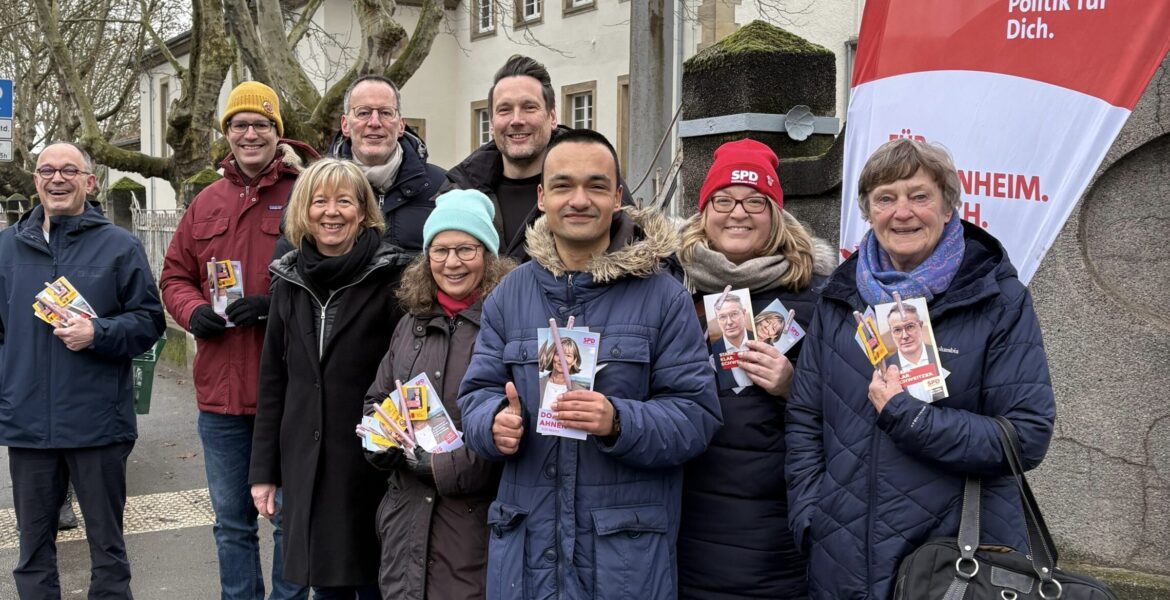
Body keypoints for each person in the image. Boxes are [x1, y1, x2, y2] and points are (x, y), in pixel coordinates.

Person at [785, 138, 1056, 599]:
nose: (902, 212)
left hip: (953, 563)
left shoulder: (997, 300)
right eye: (885, 199)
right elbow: (806, 419)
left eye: (919, 196)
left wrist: (908, 417)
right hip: (842, 560)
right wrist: (812, 518)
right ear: (869, 212)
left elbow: (1026, 435)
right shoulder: (839, 299)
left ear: (948, 208)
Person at [458, 129, 721, 600]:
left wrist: (618, 421)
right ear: (542, 197)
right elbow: (475, 395)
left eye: (596, 186)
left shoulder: (664, 298)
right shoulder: (508, 295)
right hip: (526, 559)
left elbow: (697, 416)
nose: (579, 200)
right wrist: (493, 423)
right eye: (563, 185)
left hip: (623, 565)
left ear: (617, 198)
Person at [160, 81, 316, 600]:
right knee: (231, 523)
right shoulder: (206, 200)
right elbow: (174, 276)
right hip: (222, 397)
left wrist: (275, 305)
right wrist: (193, 311)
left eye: (261, 124)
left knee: (291, 520)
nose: (250, 134)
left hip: (290, 392)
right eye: (239, 124)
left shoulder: (304, 193)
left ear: (277, 132)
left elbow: (330, 274)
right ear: (227, 132)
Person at [0, 142, 166, 598]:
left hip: (98, 424)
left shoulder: (120, 246)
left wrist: (98, 333)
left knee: (108, 551)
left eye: (69, 171)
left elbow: (149, 322)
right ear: (35, 181)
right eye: (47, 170)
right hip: (29, 426)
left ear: (89, 182)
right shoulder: (6, 248)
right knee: (32, 553)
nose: (57, 178)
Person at [675, 138, 834, 600]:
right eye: (723, 200)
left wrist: (791, 387)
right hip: (682, 522)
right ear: (704, 211)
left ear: (776, 214)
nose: (738, 214)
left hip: (773, 536)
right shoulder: (670, 287)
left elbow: (849, 414)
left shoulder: (818, 296)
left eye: (755, 202)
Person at [250, 159, 411, 599]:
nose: (331, 212)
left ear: (363, 210)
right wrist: (264, 472)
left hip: (373, 466)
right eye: (319, 201)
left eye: (344, 201)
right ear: (304, 211)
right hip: (309, 466)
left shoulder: (392, 277)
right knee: (326, 588)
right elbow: (273, 381)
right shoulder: (288, 279)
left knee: (378, 585)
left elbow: (407, 372)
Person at [363, 189, 515, 600]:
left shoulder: (507, 326)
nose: (452, 262)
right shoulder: (410, 324)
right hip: (405, 526)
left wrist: (440, 467)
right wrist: (378, 442)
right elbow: (377, 399)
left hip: (472, 527)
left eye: (466, 249)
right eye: (441, 250)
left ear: (488, 255)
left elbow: (515, 430)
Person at [442, 55, 634, 260]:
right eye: (504, 110)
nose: (516, 120)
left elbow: (632, 259)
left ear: (552, 117)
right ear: (491, 123)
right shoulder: (460, 192)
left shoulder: (598, 190)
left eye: (529, 107)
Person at [882, 304, 945, 403]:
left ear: (920, 325)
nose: (905, 336)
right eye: (897, 330)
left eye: (910, 327)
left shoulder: (941, 352)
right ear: (891, 333)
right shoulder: (885, 368)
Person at [708, 293, 755, 390]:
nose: (729, 322)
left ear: (743, 313)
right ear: (717, 320)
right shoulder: (712, 351)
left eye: (734, 314)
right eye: (722, 317)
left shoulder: (760, 338)